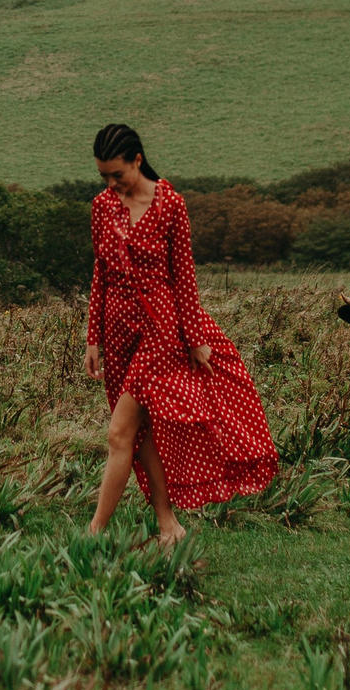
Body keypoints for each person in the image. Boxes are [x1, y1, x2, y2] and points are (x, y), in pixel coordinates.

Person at [84, 123, 278, 544]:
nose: (111, 184)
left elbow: (184, 278)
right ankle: (168, 524)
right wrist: (93, 336)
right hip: (118, 331)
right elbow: (100, 271)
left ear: (138, 160)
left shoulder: (170, 204)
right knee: (140, 433)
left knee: (118, 433)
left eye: (117, 174)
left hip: (160, 330)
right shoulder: (101, 207)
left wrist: (194, 339)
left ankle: (93, 534)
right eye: (103, 176)